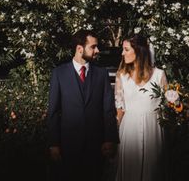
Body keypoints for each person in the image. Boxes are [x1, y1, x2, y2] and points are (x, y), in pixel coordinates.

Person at [47, 29, 119, 181]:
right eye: (93, 47)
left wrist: (110, 138)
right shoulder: (59, 73)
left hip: (96, 145)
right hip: (68, 146)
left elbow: (108, 109)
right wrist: (54, 143)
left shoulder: (101, 74)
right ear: (80, 49)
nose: (97, 50)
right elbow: (53, 111)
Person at [114, 33, 168, 181]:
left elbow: (167, 106)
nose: (122, 53)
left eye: (126, 49)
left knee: (153, 170)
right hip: (129, 129)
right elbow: (120, 108)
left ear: (138, 51)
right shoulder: (122, 75)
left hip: (154, 128)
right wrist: (111, 136)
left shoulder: (159, 75)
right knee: (130, 170)